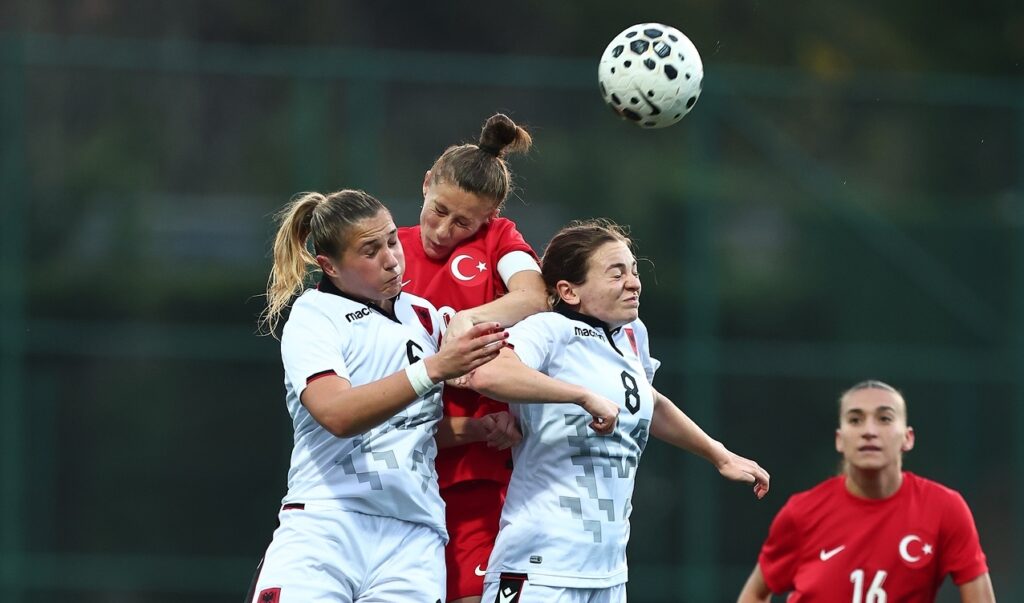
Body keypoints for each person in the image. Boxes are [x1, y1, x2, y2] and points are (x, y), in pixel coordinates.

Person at [465, 219, 770, 603]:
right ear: (568, 291)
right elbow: (488, 372)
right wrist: (581, 396)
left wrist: (718, 453)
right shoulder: (549, 329)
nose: (634, 282)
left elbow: (648, 401)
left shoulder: (631, 334)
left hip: (608, 573)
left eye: (634, 270)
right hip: (541, 567)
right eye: (616, 273)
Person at [247, 189, 508, 603]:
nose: (391, 258)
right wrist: (435, 368)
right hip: (328, 524)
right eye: (370, 250)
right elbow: (337, 413)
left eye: (391, 240)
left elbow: (407, 429)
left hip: (414, 540)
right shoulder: (315, 316)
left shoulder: (424, 316)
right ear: (329, 265)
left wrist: (478, 427)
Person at [397, 113, 550, 603]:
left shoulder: (500, 239)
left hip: (473, 476)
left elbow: (534, 295)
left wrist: (465, 320)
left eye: (463, 222)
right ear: (425, 184)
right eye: (438, 209)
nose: (443, 230)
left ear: (487, 219)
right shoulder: (386, 251)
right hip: (395, 476)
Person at [737, 380, 996, 603]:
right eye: (855, 419)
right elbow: (755, 594)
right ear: (840, 439)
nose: (869, 431)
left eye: (884, 418)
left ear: (908, 437)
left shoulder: (944, 508)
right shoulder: (802, 512)